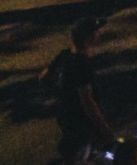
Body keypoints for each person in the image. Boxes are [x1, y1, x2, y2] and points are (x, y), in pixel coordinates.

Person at [42, 17, 112, 164]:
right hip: (80, 122)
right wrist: (104, 129)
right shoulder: (82, 65)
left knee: (76, 150)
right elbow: (87, 102)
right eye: (96, 31)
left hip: (64, 115)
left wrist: (62, 90)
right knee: (79, 155)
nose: (99, 33)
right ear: (90, 37)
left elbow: (43, 77)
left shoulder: (64, 55)